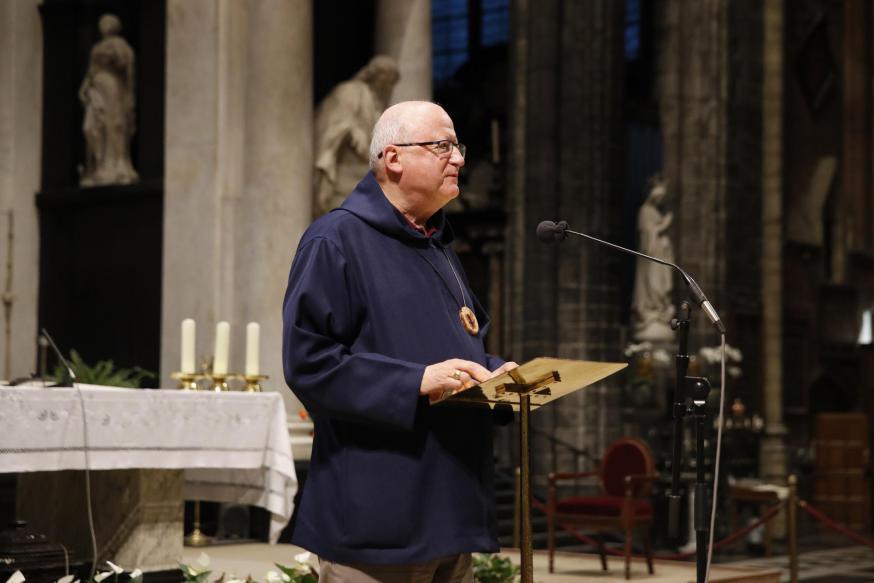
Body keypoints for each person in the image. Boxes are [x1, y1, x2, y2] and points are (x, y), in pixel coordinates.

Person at [283, 101, 517, 582]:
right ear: (393, 158)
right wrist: (415, 382)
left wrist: (492, 372)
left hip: (450, 507)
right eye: (442, 146)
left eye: (457, 147)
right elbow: (310, 362)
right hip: (379, 516)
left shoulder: (439, 248)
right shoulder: (336, 240)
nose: (458, 159)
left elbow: (456, 342)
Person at [313, 55, 400, 217]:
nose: (387, 85)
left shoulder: (382, 106)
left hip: (370, 181)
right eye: (385, 77)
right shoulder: (350, 92)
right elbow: (329, 123)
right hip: (344, 179)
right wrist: (351, 128)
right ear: (373, 74)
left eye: (391, 81)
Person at [78, 13, 139, 187]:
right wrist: (84, 87)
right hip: (97, 91)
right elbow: (91, 71)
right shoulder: (96, 47)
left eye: (107, 23)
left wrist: (129, 95)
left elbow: (127, 69)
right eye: (102, 23)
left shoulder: (121, 46)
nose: (104, 26)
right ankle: (100, 166)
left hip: (114, 87)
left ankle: (117, 164)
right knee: (92, 126)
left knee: (114, 123)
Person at [631, 174, 674, 340]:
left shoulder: (655, 211)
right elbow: (647, 235)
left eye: (662, 197)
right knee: (653, 285)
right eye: (659, 196)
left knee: (662, 285)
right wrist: (664, 225)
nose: (660, 200)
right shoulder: (645, 211)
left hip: (662, 256)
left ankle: (660, 309)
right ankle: (651, 309)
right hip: (651, 257)